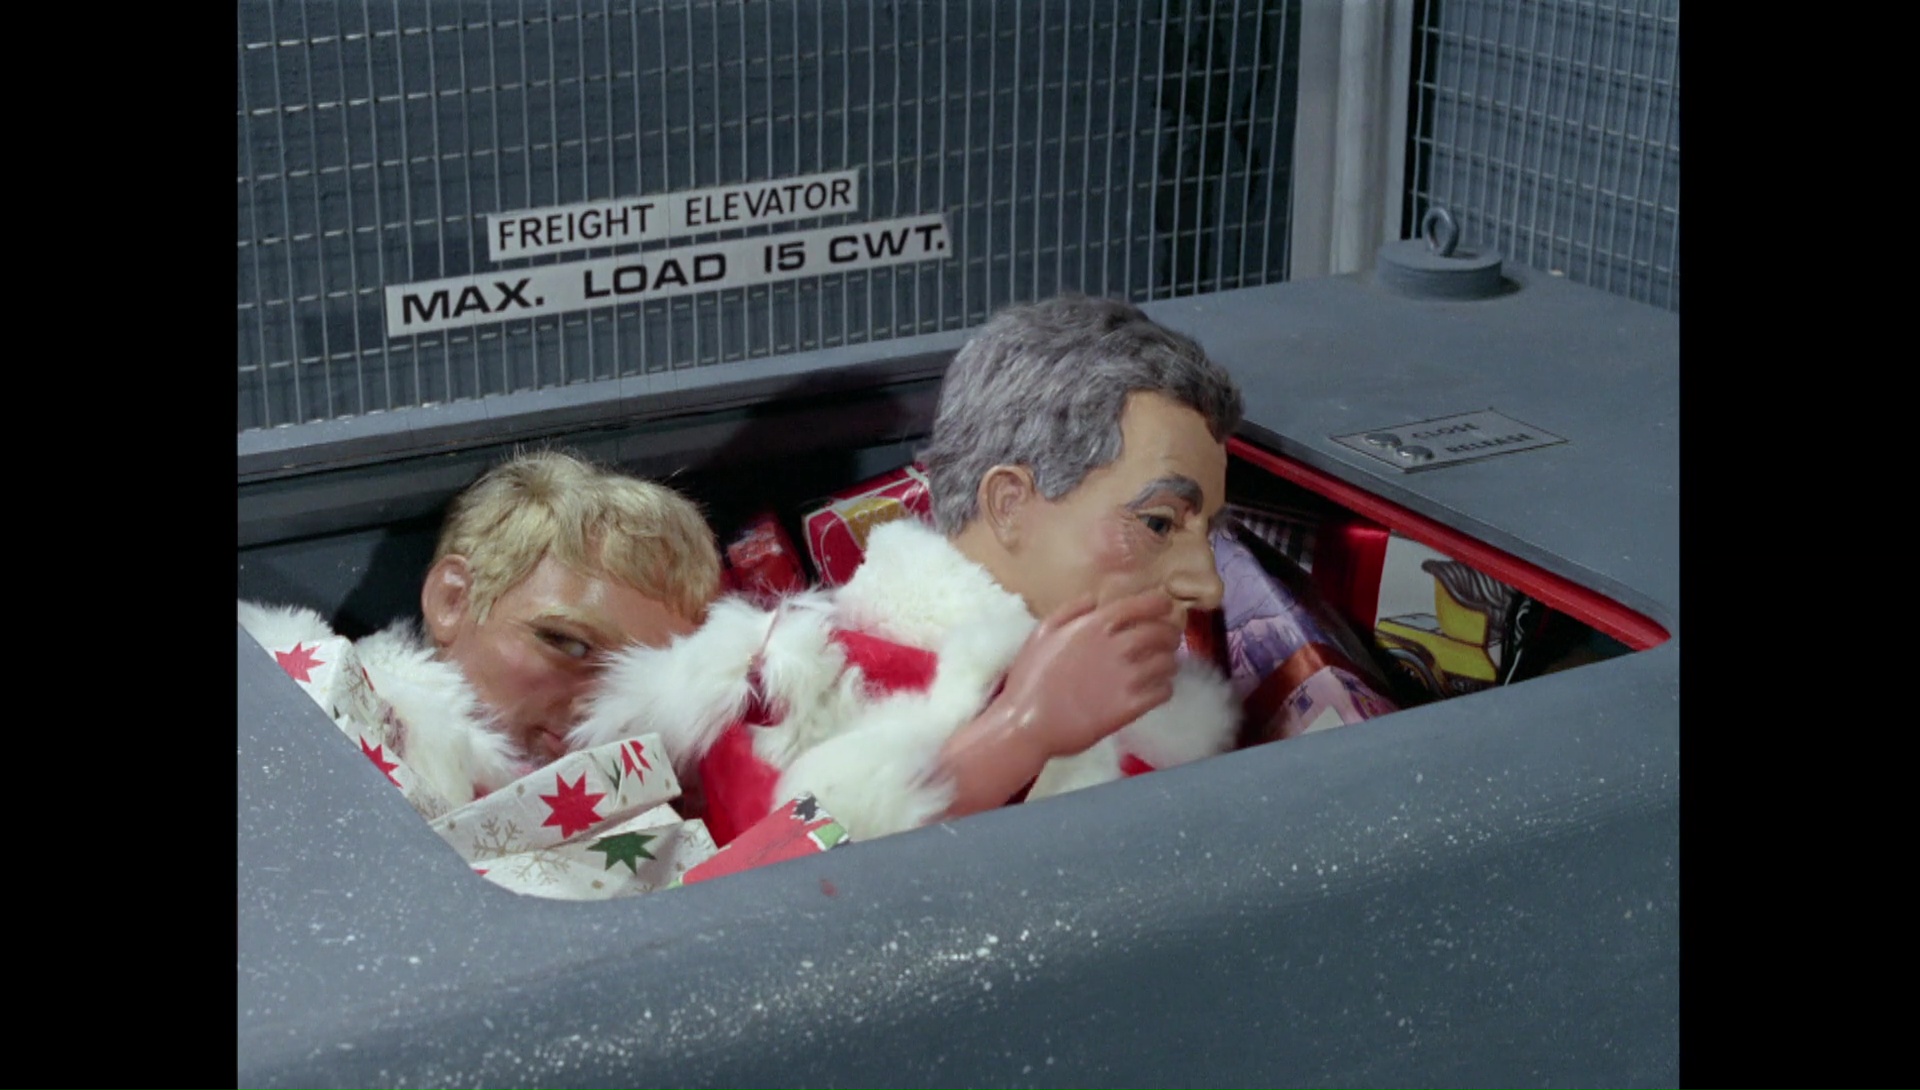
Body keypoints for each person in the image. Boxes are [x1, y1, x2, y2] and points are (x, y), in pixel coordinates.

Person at [570, 295, 1244, 845]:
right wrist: (1018, 733)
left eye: (1209, 533)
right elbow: (778, 890)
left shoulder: (1173, 718)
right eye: (1158, 524)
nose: (1207, 585)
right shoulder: (779, 694)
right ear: (1009, 504)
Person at [238, 449, 722, 807]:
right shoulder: (292, 733)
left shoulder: (683, 814)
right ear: (452, 600)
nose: (600, 706)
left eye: (647, 679)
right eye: (568, 645)